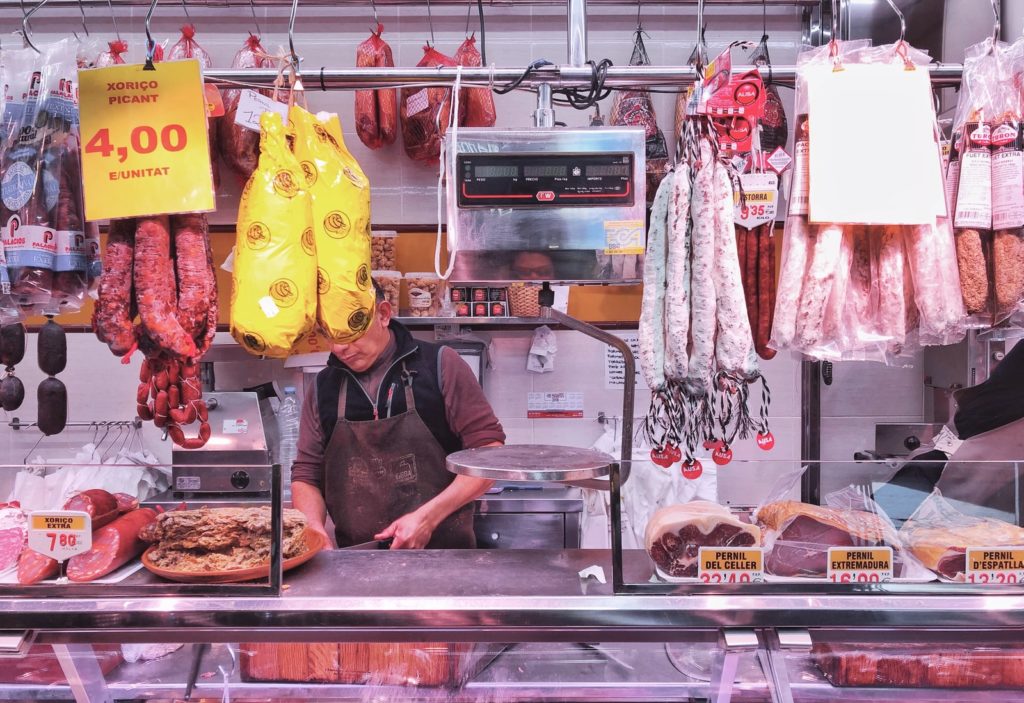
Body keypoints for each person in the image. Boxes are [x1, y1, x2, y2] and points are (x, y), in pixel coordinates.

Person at [291, 282, 505, 549]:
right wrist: (313, 529)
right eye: (328, 334)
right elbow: (306, 473)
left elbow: (490, 455)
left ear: (382, 314)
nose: (337, 348)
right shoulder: (323, 387)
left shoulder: (439, 365)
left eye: (348, 333)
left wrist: (428, 518)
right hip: (355, 567)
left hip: (446, 564)